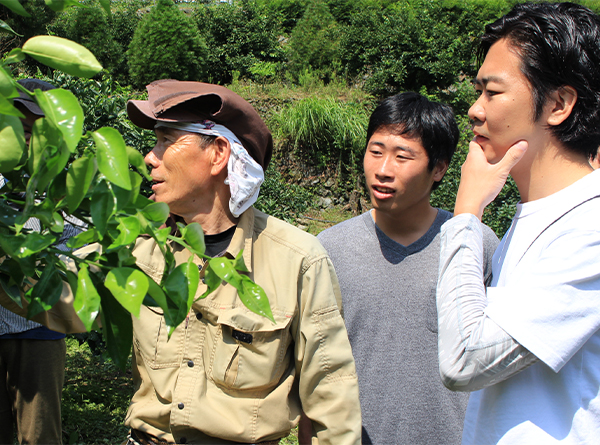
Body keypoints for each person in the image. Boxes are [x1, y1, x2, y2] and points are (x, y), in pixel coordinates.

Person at [1, 79, 361, 445]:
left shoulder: (297, 259)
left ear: (218, 153)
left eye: (166, 140)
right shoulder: (140, 243)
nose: (148, 157)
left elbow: (330, 398)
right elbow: (53, 297)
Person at [436, 2, 600, 444]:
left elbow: (464, 358)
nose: (474, 109)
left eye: (492, 92)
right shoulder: (541, 215)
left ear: (559, 104)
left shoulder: (591, 227)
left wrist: (467, 213)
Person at [315, 92, 498, 444]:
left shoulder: (473, 244)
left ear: (439, 168)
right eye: (376, 151)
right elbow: (314, 368)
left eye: (403, 156)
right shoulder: (330, 249)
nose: (383, 170)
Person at [0, 78, 82, 445]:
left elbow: (78, 249)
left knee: (39, 432)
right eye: (21, 128)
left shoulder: (63, 184)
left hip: (38, 330)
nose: (28, 138)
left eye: (37, 130)